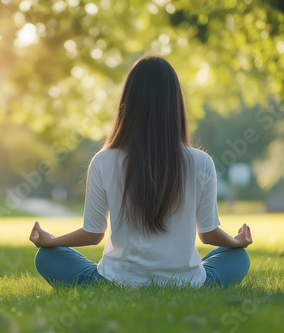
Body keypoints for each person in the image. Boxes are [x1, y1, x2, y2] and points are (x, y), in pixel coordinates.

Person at [29, 55, 252, 288]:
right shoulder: (201, 162)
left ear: (128, 102)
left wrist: (52, 242)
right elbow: (208, 234)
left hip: (116, 283)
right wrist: (235, 243)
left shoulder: (103, 161)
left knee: (47, 256)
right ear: (175, 104)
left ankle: (106, 285)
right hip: (187, 284)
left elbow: (93, 234)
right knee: (237, 257)